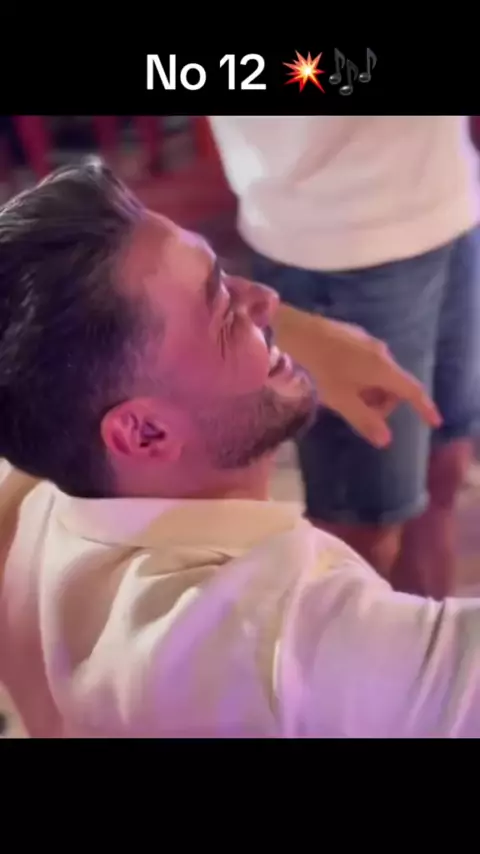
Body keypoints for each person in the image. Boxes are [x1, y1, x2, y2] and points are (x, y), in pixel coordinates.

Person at [1, 161, 478, 739]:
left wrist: (285, 339)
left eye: (226, 275)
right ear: (145, 433)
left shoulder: (36, 477)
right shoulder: (271, 639)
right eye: (225, 310)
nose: (268, 300)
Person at [209, 116, 480, 599]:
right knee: (362, 535)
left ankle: (430, 643)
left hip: (449, 197)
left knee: (445, 469)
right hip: (337, 232)